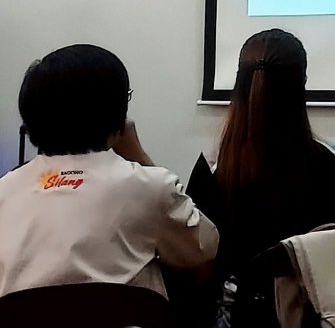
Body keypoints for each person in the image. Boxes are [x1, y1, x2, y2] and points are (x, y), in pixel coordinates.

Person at [0, 44, 218, 299]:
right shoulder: (149, 186)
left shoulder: (5, 191)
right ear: (117, 115)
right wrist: (139, 156)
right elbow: (204, 247)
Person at [185, 29, 335, 325]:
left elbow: (200, 266)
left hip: (238, 319)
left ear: (240, 85)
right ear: (301, 85)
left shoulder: (214, 166)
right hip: (313, 318)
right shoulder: (331, 157)